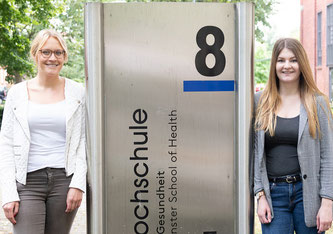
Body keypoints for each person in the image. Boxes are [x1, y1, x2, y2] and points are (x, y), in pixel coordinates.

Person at [0, 29, 87, 234]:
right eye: (45, 52)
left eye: (58, 53)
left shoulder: (78, 92)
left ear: (65, 57)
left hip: (64, 181)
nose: (52, 58)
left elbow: (83, 140)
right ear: (35, 54)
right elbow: (6, 143)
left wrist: (78, 184)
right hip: (27, 182)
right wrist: (8, 193)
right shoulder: (17, 93)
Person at [254, 38, 333, 234]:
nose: (287, 66)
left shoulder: (318, 103)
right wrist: (260, 194)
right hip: (273, 196)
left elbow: (329, 156)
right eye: (281, 60)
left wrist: (327, 203)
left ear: (301, 64)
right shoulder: (259, 102)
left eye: (293, 60)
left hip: (308, 195)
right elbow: (255, 153)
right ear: (274, 64)